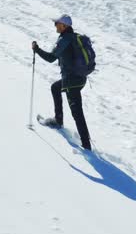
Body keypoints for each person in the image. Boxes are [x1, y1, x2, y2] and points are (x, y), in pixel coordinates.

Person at [32, 14, 92, 150]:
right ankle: (58, 120)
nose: (55, 25)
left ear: (64, 26)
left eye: (57, 24)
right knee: (55, 87)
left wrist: (37, 49)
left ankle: (86, 146)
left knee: (77, 113)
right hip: (79, 78)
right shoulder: (73, 36)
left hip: (72, 81)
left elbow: (51, 58)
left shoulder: (65, 39)